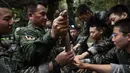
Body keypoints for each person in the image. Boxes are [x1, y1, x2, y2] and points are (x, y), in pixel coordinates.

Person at [12, 3, 74, 73]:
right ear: (30, 15)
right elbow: (32, 55)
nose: (46, 18)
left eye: (46, 14)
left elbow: (50, 52)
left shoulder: (44, 31)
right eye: (42, 14)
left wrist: (61, 50)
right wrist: (52, 34)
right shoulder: (22, 31)